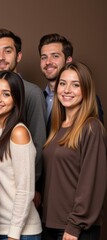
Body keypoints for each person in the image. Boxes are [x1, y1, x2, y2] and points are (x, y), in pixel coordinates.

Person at [42, 62, 106, 240]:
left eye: (75, 84)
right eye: (63, 83)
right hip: (50, 223)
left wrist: (75, 226)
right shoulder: (56, 128)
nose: (67, 90)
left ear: (86, 89)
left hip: (74, 229)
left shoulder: (91, 127)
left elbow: (91, 182)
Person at [0, 29, 47, 207]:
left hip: (22, 192)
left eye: (8, 51)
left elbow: (38, 143)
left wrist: (33, 187)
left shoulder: (32, 93)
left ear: (18, 56)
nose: (1, 57)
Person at [0, 71, 42, 240]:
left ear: (16, 100)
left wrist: (14, 234)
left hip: (19, 232)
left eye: (6, 94)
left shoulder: (19, 132)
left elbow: (26, 190)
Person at [38, 33, 104, 132]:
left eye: (55, 56)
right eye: (44, 57)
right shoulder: (38, 97)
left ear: (68, 60)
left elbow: (94, 138)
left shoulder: (86, 99)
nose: (48, 62)